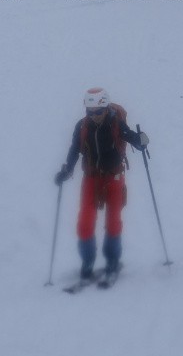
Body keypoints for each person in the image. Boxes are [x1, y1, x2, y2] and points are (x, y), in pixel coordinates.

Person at [54, 87, 148, 280]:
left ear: (105, 108)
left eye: (98, 111)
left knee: (113, 222)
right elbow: (74, 150)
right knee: (85, 224)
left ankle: (112, 261)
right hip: (91, 179)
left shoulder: (116, 123)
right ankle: (87, 261)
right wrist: (67, 170)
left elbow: (129, 135)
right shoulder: (82, 127)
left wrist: (140, 141)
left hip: (114, 178)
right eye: (90, 111)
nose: (94, 116)